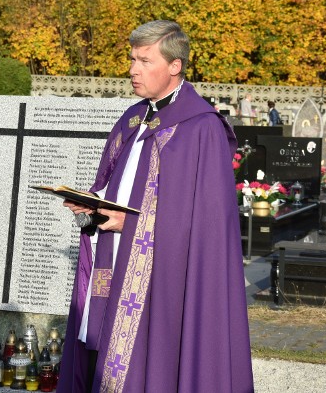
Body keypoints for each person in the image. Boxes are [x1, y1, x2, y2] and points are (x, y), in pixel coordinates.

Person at [58, 20, 254, 393]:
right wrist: (94, 204)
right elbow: (117, 184)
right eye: (132, 59)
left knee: (153, 365)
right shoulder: (133, 119)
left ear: (174, 66)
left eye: (145, 61)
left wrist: (128, 225)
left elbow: (205, 224)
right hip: (115, 259)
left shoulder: (201, 128)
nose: (133, 70)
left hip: (167, 276)